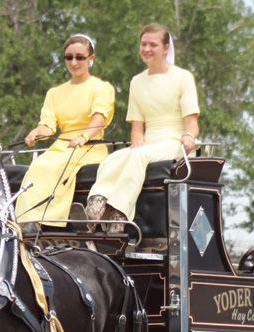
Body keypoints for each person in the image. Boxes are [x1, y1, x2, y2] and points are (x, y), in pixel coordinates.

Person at [85, 23, 200, 229]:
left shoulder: (183, 78)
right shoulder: (136, 82)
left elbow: (192, 124)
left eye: (153, 45)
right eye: (143, 44)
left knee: (139, 156)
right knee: (113, 158)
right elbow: (137, 128)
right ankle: (97, 202)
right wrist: (136, 143)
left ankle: (120, 212)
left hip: (175, 142)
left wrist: (189, 136)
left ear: (166, 48)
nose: (146, 49)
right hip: (150, 142)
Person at [14, 34, 115, 228]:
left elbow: (99, 119)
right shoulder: (55, 92)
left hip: (90, 146)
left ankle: (50, 220)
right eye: (69, 57)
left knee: (57, 167)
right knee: (38, 166)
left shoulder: (102, 88)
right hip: (62, 145)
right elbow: (49, 126)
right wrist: (36, 133)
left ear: (91, 58)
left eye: (80, 57)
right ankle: (26, 220)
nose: (74, 62)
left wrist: (83, 136)